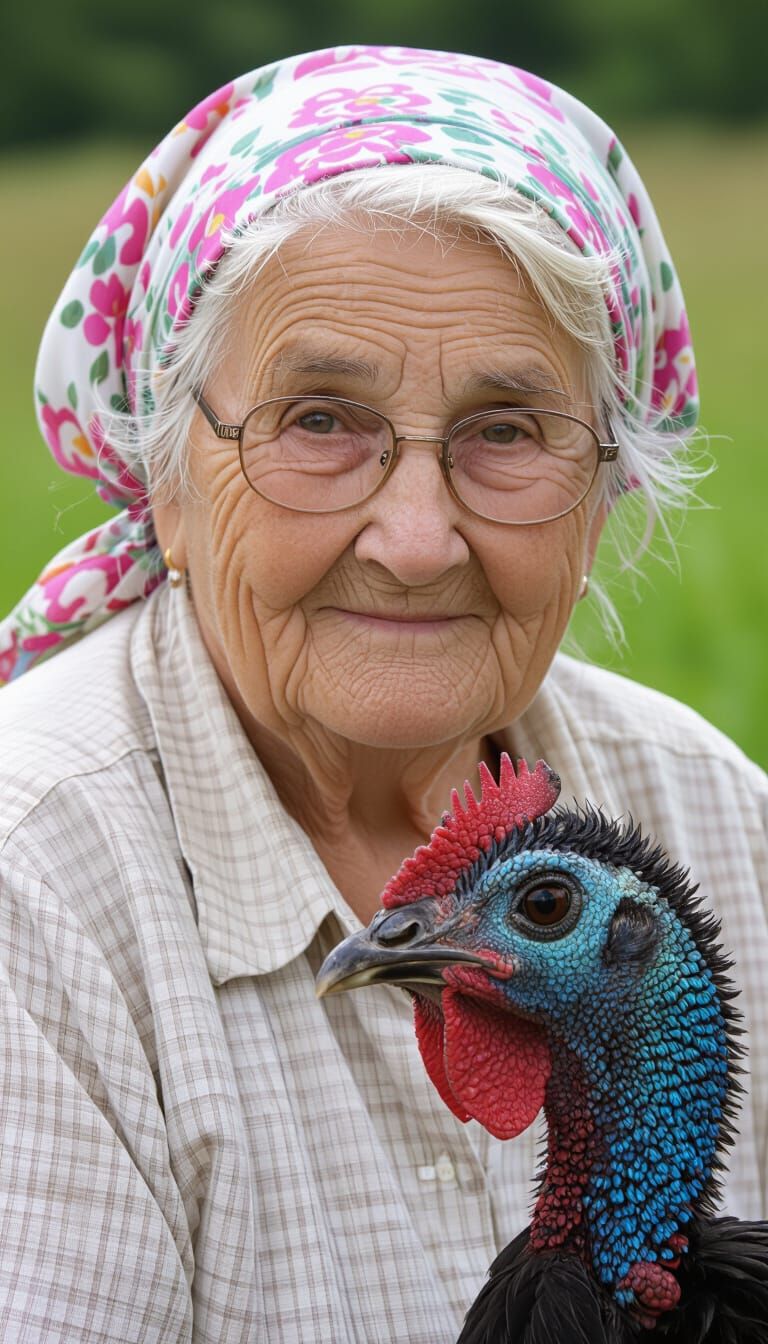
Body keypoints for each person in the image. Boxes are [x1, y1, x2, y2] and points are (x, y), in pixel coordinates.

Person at [0, 44, 764, 1343]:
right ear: (167, 484)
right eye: (318, 421)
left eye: (509, 431)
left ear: (602, 497)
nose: (416, 539)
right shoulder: (36, 890)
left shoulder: (720, 814)